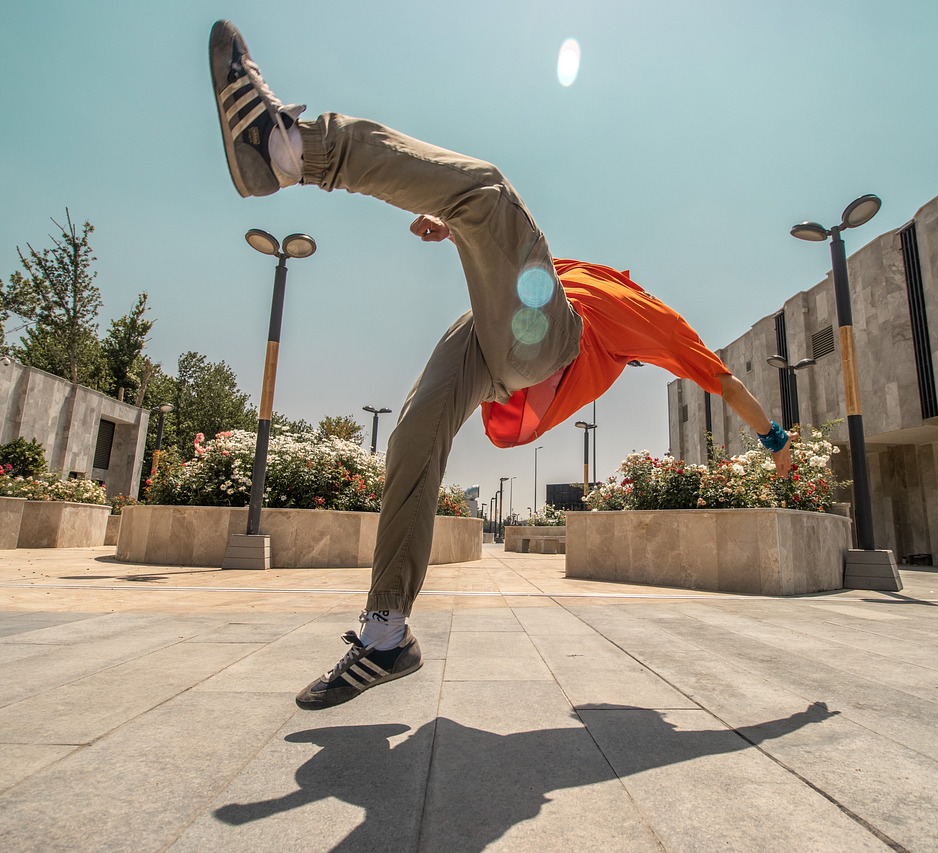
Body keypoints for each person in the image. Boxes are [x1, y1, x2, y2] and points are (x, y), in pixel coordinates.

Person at [208, 20, 792, 710]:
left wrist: (775, 442)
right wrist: (456, 225)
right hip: (491, 340)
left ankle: (288, 149)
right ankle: (387, 633)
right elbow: (514, 265)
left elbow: (722, 379)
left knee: (488, 188)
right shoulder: (594, 274)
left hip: (546, 346)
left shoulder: (656, 323)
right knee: (414, 435)